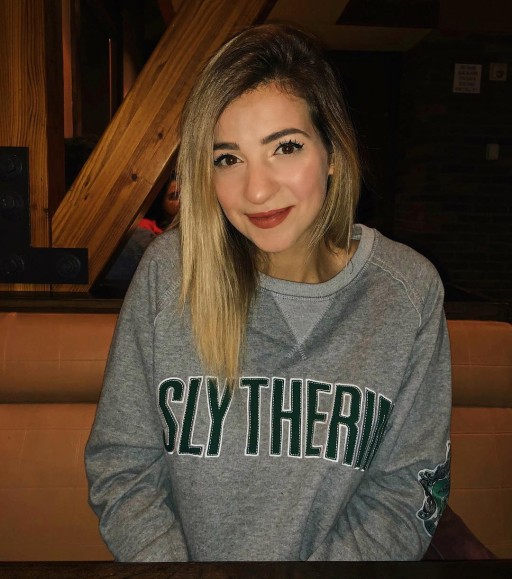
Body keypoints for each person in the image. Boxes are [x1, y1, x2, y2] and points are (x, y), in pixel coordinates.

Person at [85, 24, 451, 562]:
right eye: (228, 158)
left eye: (285, 147)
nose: (256, 190)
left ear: (332, 151)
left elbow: (406, 492)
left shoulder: (407, 292)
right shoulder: (171, 271)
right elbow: (122, 465)